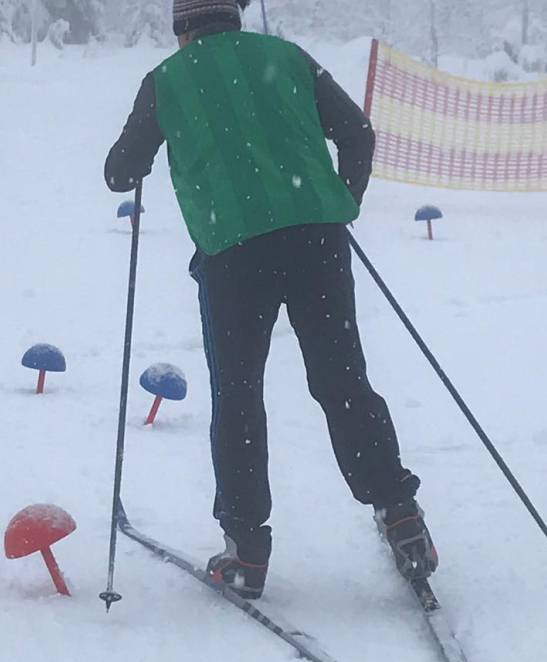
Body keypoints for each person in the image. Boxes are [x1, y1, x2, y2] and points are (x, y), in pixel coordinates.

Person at [104, 0, 437, 599]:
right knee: (342, 380)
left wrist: (149, 148)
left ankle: (247, 552)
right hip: (317, 241)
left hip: (233, 254)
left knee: (238, 396)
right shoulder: (286, 57)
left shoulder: (166, 80)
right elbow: (358, 133)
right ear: (233, 15)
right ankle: (400, 514)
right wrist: (342, 202)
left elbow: (120, 172)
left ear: (182, 27)